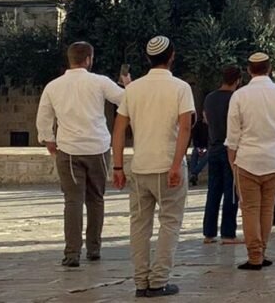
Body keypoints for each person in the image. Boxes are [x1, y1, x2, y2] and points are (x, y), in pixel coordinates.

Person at [111, 36, 194, 298]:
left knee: (139, 226)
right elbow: (185, 127)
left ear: (148, 58)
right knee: (169, 223)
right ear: (172, 56)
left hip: (141, 166)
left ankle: (140, 281)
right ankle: (159, 280)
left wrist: (117, 167)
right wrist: (176, 164)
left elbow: (119, 129)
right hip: (168, 163)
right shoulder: (181, 88)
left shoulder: (133, 89)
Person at [35, 41, 129, 268]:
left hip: (68, 150)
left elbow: (44, 116)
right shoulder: (100, 82)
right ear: (88, 59)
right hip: (97, 148)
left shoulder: (53, 86)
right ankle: (94, 248)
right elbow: (124, 99)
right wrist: (128, 84)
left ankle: (72, 253)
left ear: (70, 59)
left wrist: (48, 139)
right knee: (96, 199)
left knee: (72, 201)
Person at [226, 52, 275, 271]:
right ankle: (262, 251)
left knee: (249, 209)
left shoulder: (240, 95)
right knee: (267, 209)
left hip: (247, 159)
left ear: (249, 70)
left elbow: (233, 133)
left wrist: (233, 158)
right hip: (274, 159)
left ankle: (255, 255)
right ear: (270, 69)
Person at [202, 66, 241, 245]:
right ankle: (228, 233)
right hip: (230, 148)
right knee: (231, 192)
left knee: (213, 191)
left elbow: (206, 119)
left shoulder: (210, 98)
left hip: (213, 147)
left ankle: (209, 233)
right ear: (238, 80)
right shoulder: (236, 98)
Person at [188, 114, 209, 187]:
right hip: (198, 147)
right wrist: (198, 148)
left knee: (207, 156)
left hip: (208, 148)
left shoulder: (212, 126)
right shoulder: (198, 125)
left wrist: (205, 149)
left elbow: (211, 141)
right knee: (194, 153)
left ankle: (194, 173)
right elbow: (195, 138)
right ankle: (194, 174)